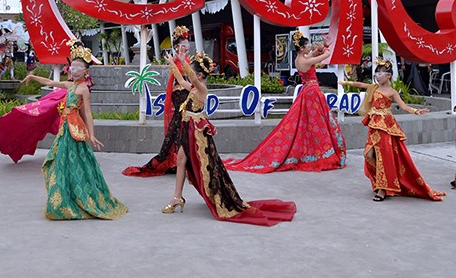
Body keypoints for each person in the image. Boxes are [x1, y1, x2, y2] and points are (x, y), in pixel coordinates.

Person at [160, 51, 296, 225]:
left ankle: (208, 196)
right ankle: (177, 197)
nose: (188, 74)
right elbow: (180, 81)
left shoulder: (201, 88)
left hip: (196, 133)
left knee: (206, 167)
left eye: (191, 71)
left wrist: (181, 61)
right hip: (187, 128)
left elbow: (191, 79)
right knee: (180, 160)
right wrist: (173, 63)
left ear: (199, 75)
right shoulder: (193, 88)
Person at [20, 39, 127, 220]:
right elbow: (51, 82)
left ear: (86, 72)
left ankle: (74, 199)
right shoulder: (70, 85)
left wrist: (92, 135)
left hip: (74, 129)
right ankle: (62, 200)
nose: (74, 71)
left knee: (72, 163)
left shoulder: (84, 89)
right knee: (60, 163)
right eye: (72, 68)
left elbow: (88, 114)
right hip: (64, 128)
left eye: (78, 69)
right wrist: (32, 77)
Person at [224, 30, 346, 172]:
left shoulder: (301, 58)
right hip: (312, 93)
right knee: (315, 123)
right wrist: (324, 48)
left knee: (310, 123)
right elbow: (326, 55)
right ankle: (318, 154)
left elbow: (314, 55)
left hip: (310, 92)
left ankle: (315, 152)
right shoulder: (304, 60)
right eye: (307, 46)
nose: (309, 48)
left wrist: (319, 48)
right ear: (301, 48)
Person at [340, 58, 445, 201]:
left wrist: (415, 111)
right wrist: (345, 82)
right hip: (374, 125)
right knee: (368, 155)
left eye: (380, 74)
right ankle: (380, 181)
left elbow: (404, 106)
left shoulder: (392, 92)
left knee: (383, 157)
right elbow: (361, 84)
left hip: (386, 127)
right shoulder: (374, 88)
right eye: (376, 74)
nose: (377, 76)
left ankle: (383, 189)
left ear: (388, 76)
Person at [122, 25, 192, 177]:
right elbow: (178, 78)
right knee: (178, 126)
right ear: (176, 47)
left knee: (183, 127)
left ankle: (184, 159)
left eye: (187, 44)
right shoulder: (176, 61)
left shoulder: (188, 60)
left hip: (188, 94)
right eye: (183, 45)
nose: (186, 47)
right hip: (180, 95)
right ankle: (175, 159)